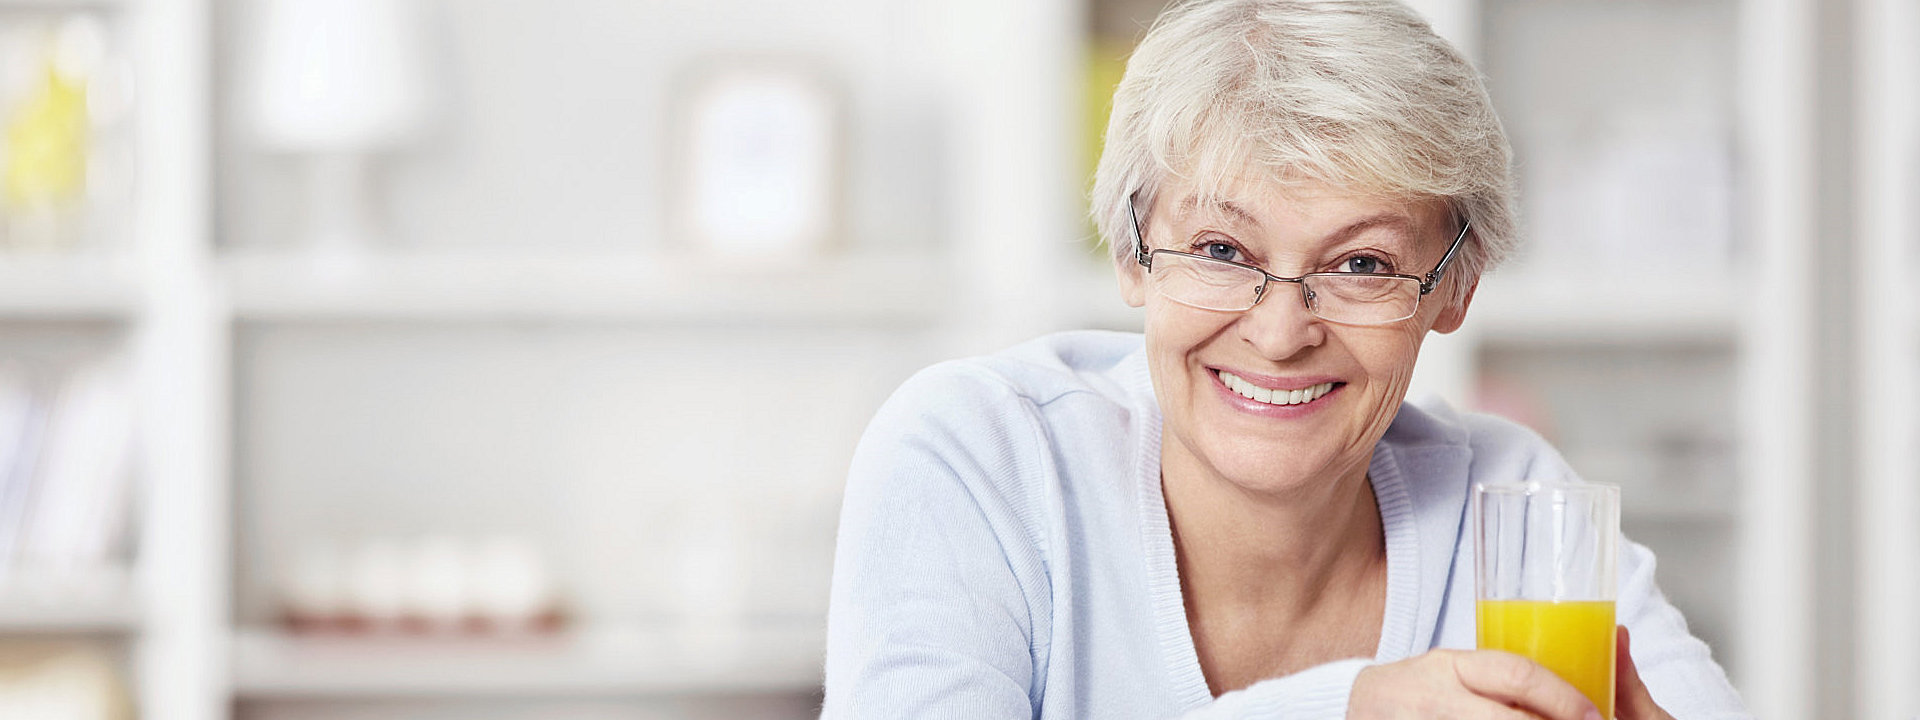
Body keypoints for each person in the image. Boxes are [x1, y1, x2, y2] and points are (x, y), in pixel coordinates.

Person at [822, 0, 1750, 717]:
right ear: (1130, 253)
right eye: (1222, 251)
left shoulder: (1507, 502)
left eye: (1362, 264)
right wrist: (1346, 707)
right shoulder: (979, 456)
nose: (1279, 333)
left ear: (1456, 289)